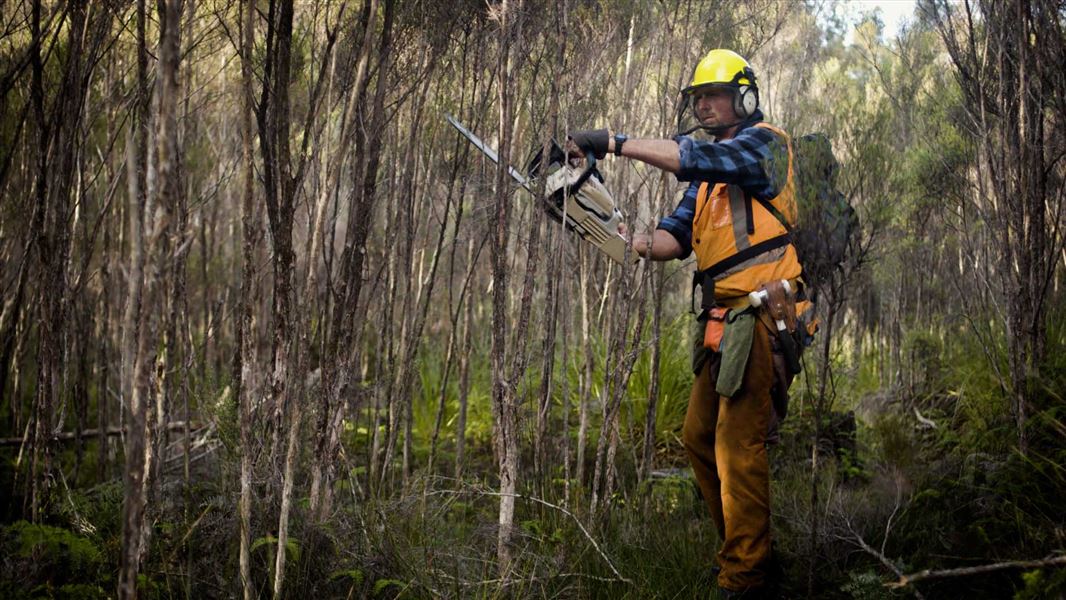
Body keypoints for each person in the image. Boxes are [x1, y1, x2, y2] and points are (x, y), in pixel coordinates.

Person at [569, 49, 801, 599]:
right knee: (698, 438)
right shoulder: (704, 183)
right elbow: (672, 241)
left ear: (744, 98)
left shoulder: (764, 145)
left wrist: (614, 142)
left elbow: (696, 158)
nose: (703, 104)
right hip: (724, 322)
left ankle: (744, 580)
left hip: (764, 316)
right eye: (698, 97)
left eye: (714, 95)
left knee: (736, 445)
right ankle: (747, 556)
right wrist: (605, 230)